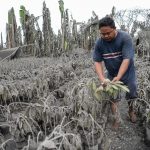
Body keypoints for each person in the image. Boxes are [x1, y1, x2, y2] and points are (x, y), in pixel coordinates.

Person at [93, 16, 137, 129]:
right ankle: (117, 119)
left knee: (131, 94)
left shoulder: (125, 38)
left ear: (114, 29)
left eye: (108, 33)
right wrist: (102, 78)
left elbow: (126, 59)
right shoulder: (99, 43)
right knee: (113, 97)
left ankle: (131, 111)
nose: (105, 36)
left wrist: (119, 76)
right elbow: (97, 62)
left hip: (128, 73)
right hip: (112, 73)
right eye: (103, 34)